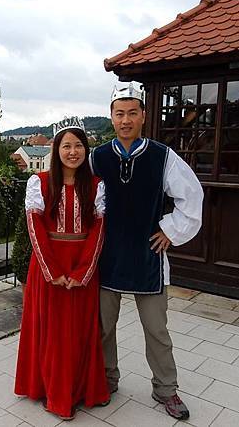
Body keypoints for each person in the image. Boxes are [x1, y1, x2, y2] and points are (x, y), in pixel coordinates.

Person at [90, 83, 203, 420]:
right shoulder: (97, 157)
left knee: (157, 330)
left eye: (132, 113)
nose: (125, 120)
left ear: (143, 115)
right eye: (119, 114)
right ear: (111, 117)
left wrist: (171, 230)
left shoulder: (161, 156)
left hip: (147, 256)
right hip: (107, 255)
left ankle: (165, 388)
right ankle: (106, 379)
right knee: (102, 327)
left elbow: (191, 196)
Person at [15, 116, 109, 421]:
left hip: (83, 266)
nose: (72, 152)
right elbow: (35, 228)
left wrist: (82, 272)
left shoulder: (96, 185)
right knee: (52, 333)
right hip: (48, 266)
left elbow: (98, 230)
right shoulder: (39, 182)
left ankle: (80, 390)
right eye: (66, 146)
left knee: (80, 332)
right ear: (56, 150)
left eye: (78, 145)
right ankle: (53, 392)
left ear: (85, 150)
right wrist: (52, 271)